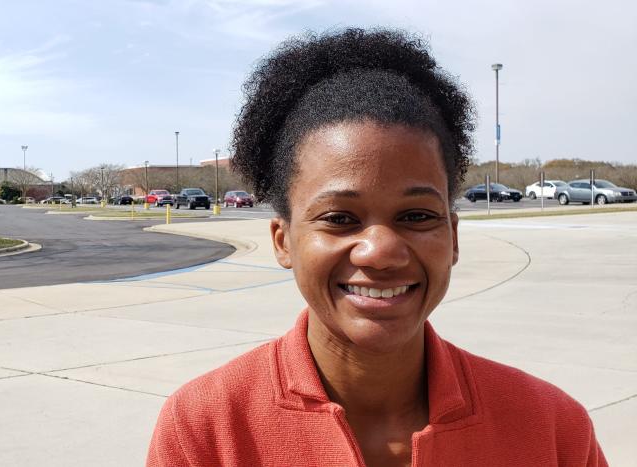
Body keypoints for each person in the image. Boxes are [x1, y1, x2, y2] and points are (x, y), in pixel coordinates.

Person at [146, 28, 606, 467]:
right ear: (283, 241)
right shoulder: (206, 429)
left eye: (417, 217)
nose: (381, 251)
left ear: (453, 237)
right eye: (340, 219)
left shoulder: (552, 429)